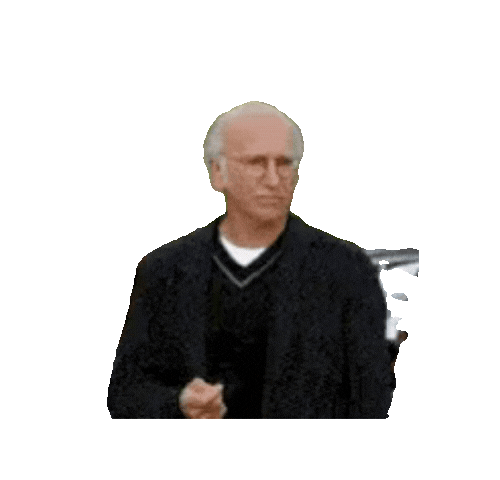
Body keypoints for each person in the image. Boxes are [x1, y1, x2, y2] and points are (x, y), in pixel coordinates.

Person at [107, 101, 395, 419]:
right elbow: (126, 393)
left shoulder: (346, 271)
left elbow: (371, 398)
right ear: (218, 173)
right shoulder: (165, 271)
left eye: (284, 163)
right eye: (257, 162)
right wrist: (179, 404)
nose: (273, 179)